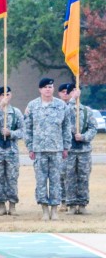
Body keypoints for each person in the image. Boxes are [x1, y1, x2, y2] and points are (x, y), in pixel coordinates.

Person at [24, 78, 71, 221]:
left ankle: (55, 210)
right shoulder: (32, 105)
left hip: (56, 149)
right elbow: (28, 128)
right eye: (45, 87)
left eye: (50, 87)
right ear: (40, 90)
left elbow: (66, 127)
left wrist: (66, 147)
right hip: (39, 149)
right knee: (41, 181)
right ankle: (44, 209)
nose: (48, 89)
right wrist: (30, 147)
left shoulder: (61, 105)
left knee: (56, 180)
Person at [0, 87, 24, 215]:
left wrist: (11, 133)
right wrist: (0, 109)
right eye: (2, 95)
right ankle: (1, 205)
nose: (5, 97)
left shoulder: (16, 112)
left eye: (7, 94)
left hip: (11, 150)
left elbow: (23, 131)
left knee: (12, 178)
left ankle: (12, 204)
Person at [65, 86, 97, 215]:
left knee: (83, 177)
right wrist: (72, 100)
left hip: (83, 150)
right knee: (69, 177)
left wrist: (83, 137)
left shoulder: (86, 111)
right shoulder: (65, 109)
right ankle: (71, 204)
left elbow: (93, 128)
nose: (74, 93)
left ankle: (82, 203)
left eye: (76, 91)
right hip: (70, 150)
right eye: (72, 92)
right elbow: (64, 116)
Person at [57, 83, 75, 212]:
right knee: (61, 175)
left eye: (69, 91)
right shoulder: (57, 106)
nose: (66, 93)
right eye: (63, 91)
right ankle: (63, 201)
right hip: (61, 146)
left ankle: (74, 201)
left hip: (77, 147)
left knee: (74, 176)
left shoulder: (79, 108)